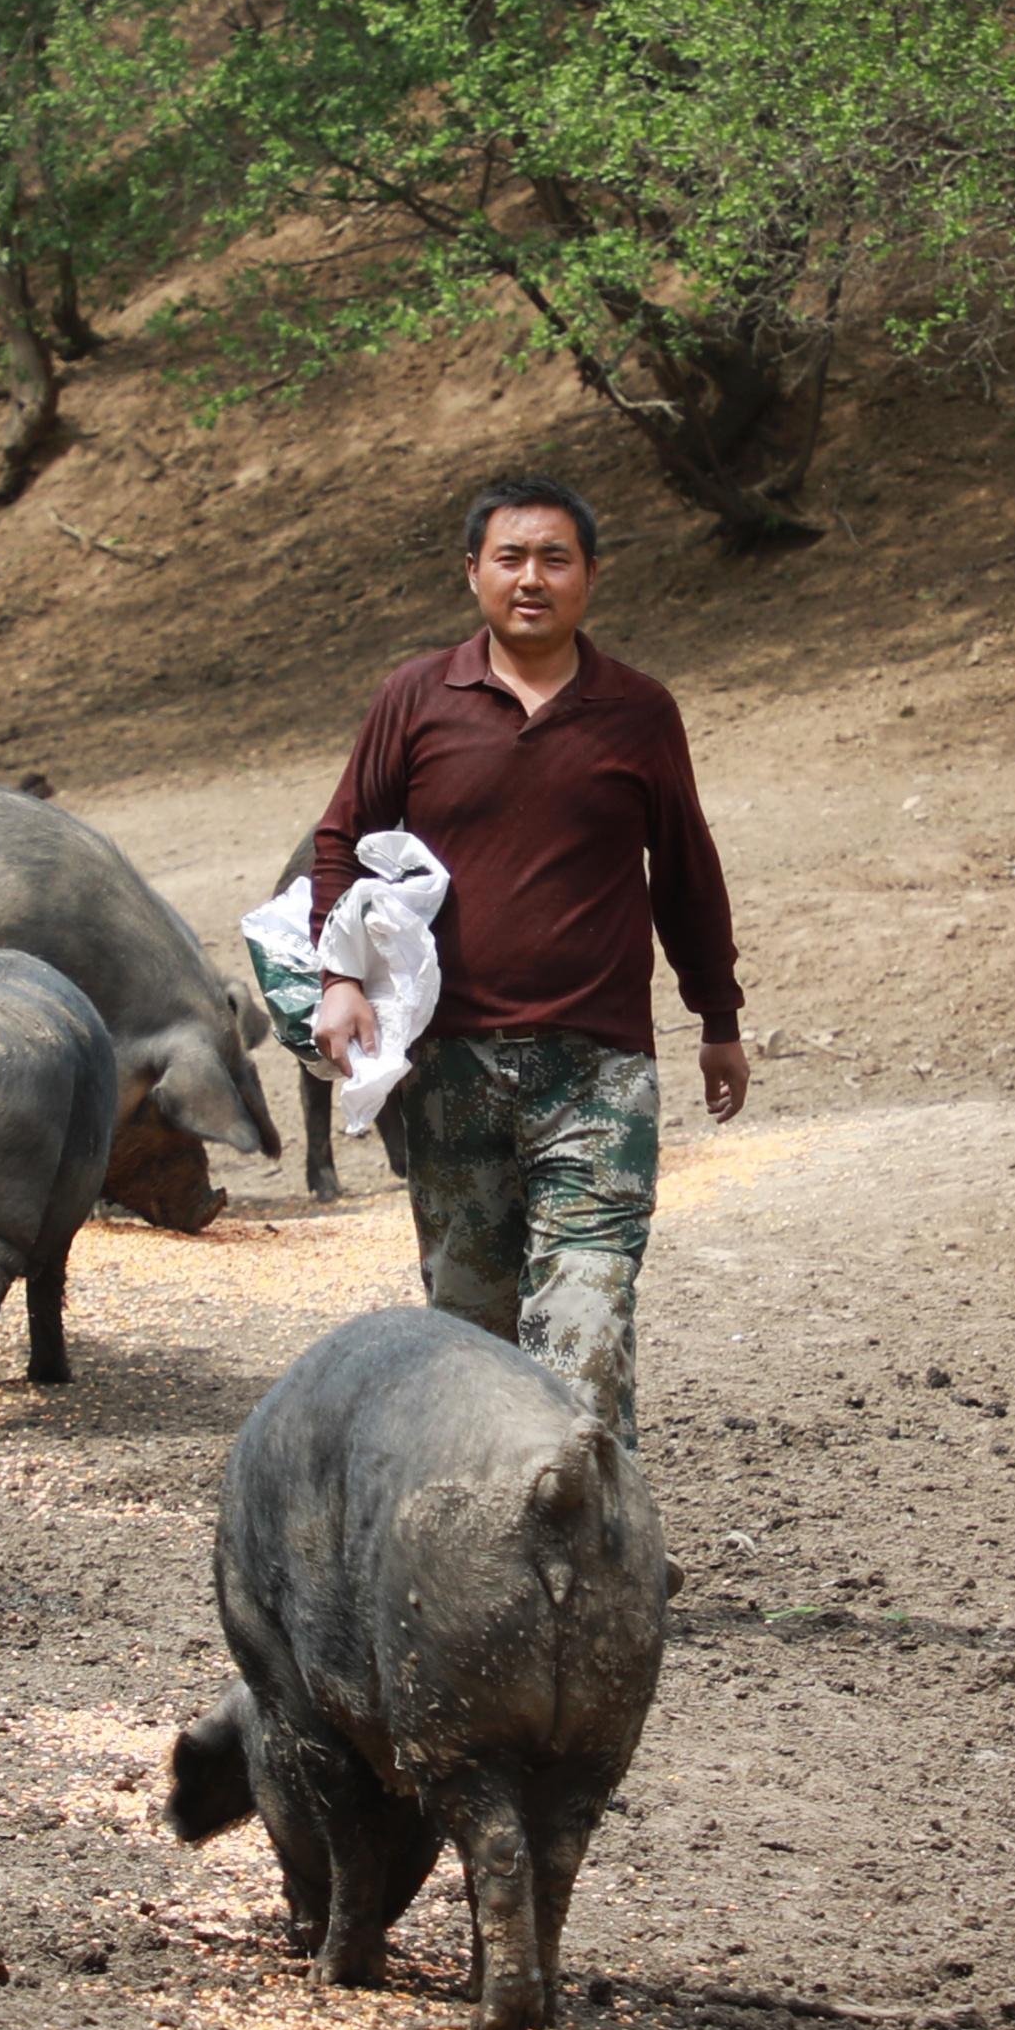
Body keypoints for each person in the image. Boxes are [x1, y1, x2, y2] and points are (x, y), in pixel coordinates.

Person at [308, 476, 747, 1446]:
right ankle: (485, 1542)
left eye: (555, 558)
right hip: (450, 1068)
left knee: (585, 1317)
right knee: (470, 1328)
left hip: (597, 1070)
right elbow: (339, 841)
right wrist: (338, 977)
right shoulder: (415, 697)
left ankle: (600, 1544)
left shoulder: (637, 711)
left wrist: (716, 1020)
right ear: (473, 574)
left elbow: (685, 872)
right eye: (510, 558)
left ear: (589, 575)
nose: (531, 578)